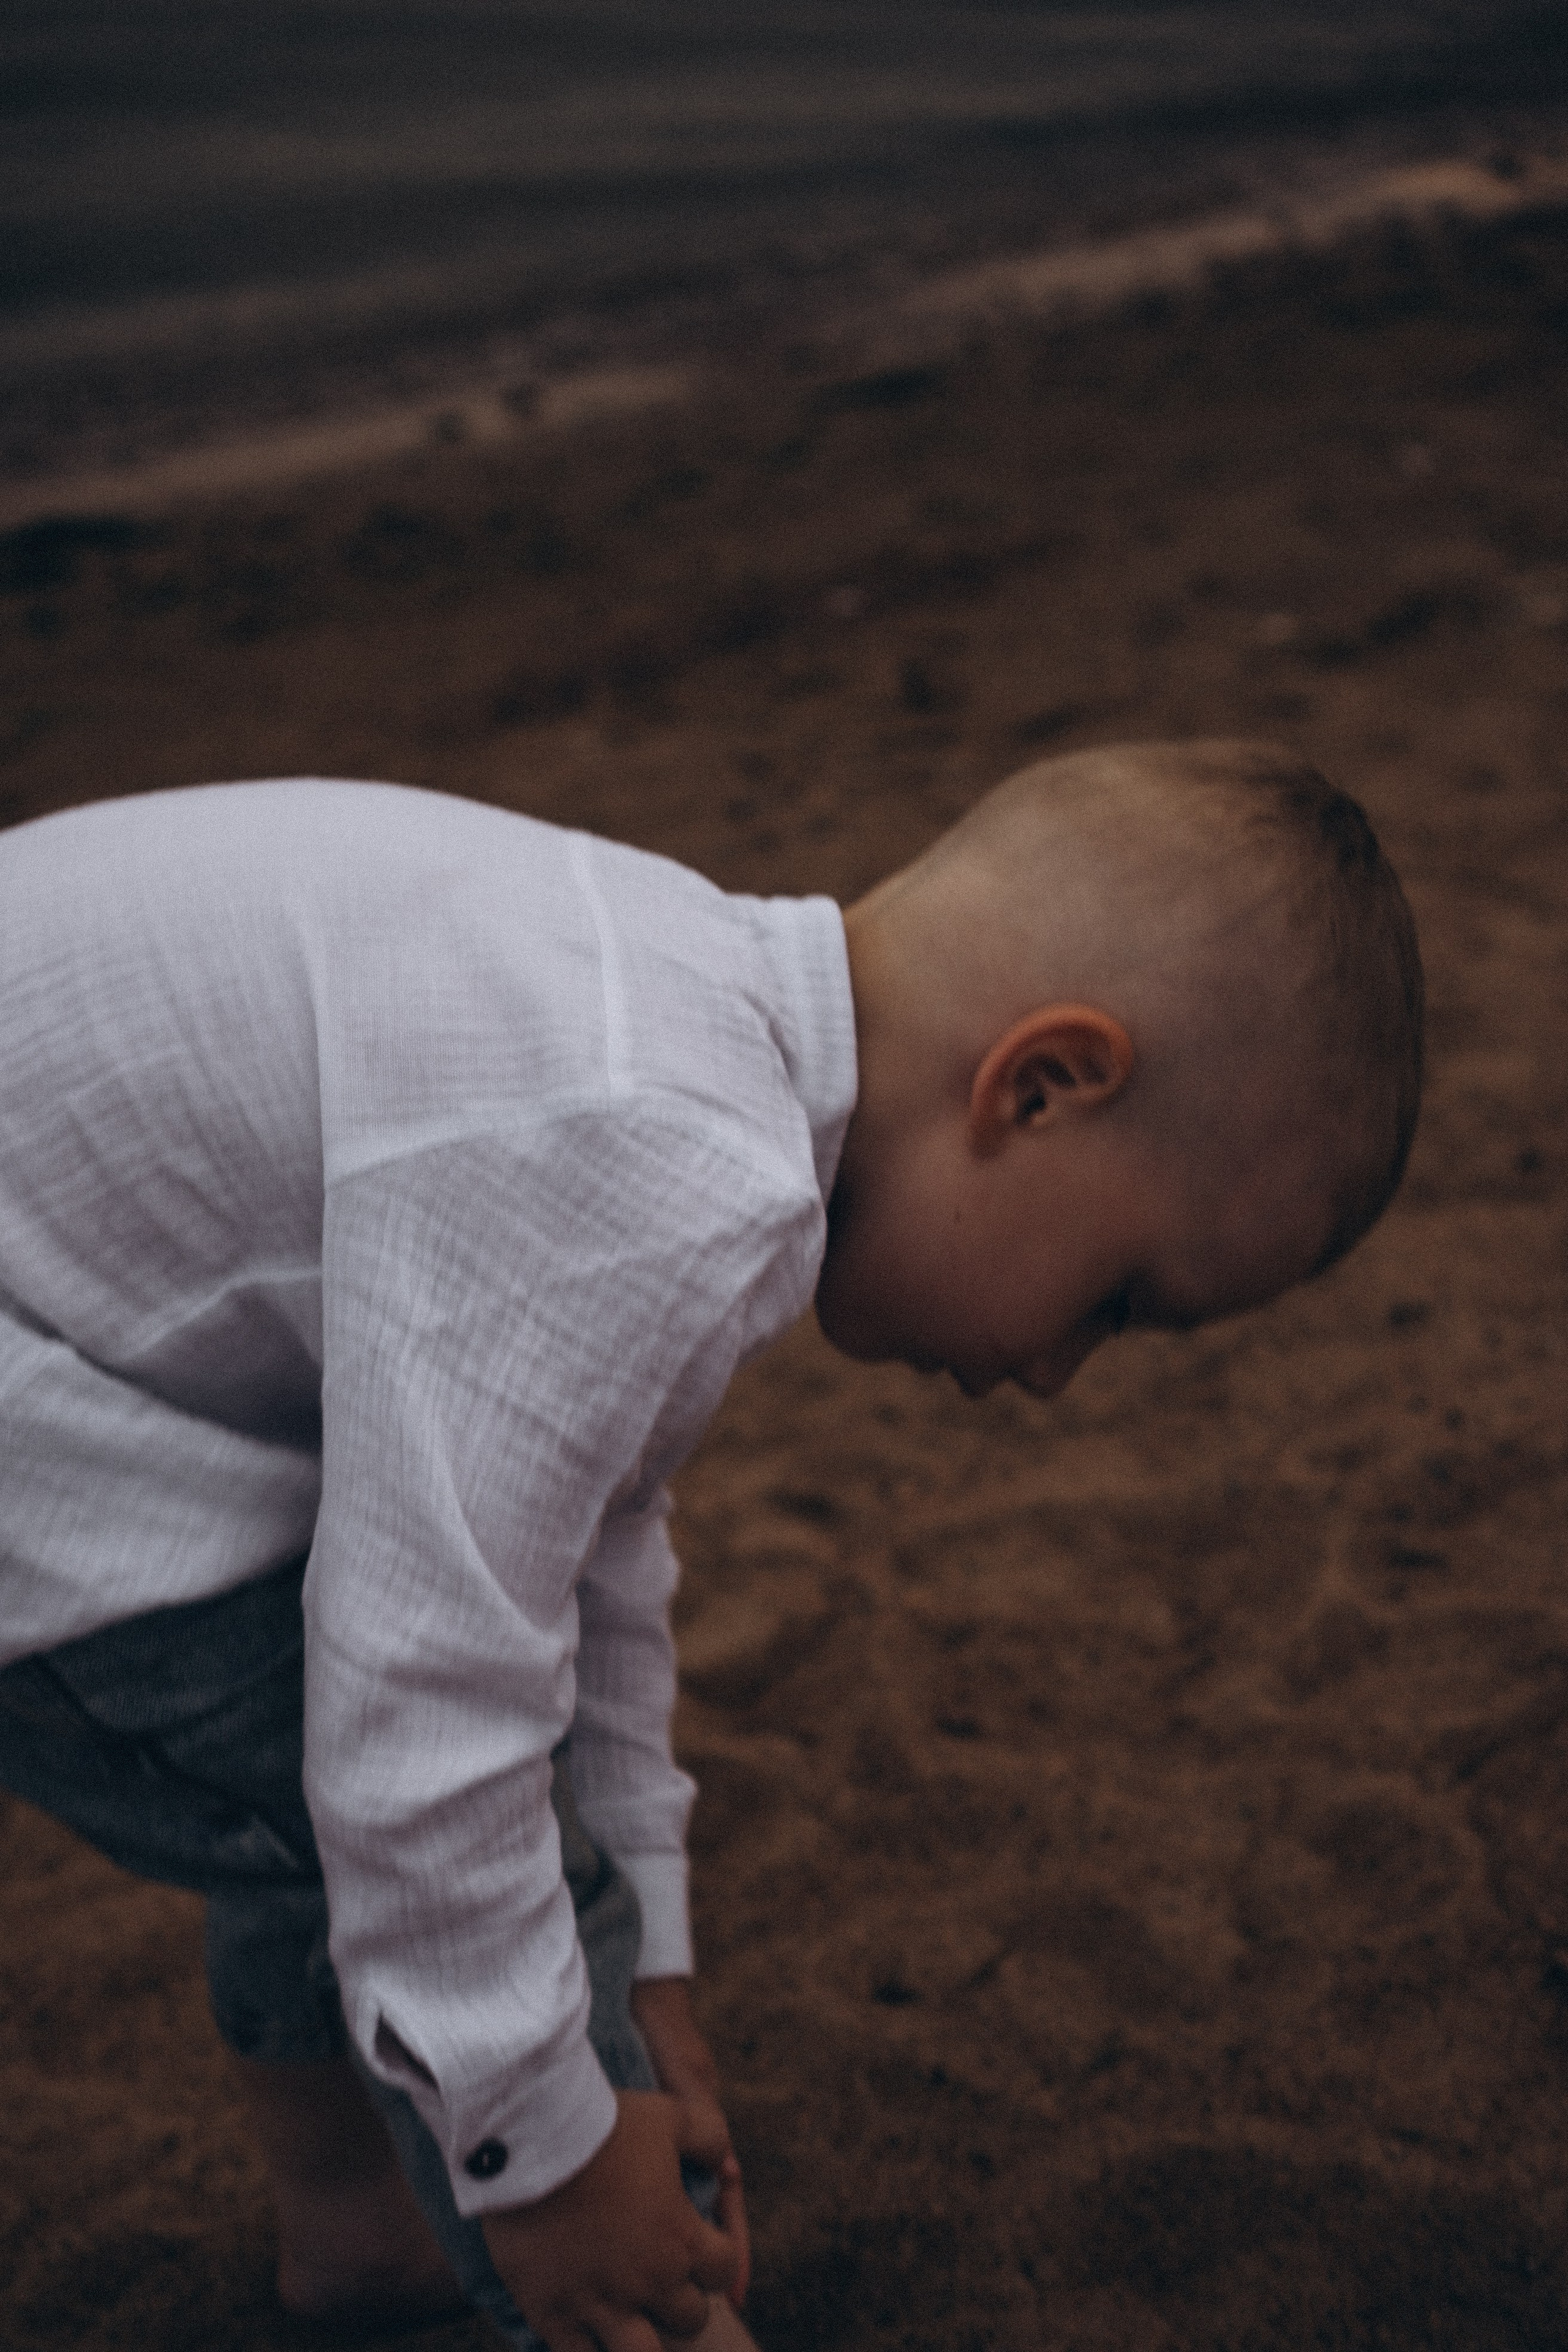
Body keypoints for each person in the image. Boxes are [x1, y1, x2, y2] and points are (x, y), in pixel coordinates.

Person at [0, 741, 1422, 2351]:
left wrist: (650, 1966)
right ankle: (625, 2309)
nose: (1056, 1374)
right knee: (428, 1808)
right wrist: (549, 2150)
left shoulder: (662, 1032)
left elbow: (584, 1557)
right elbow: (422, 1697)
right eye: (1118, 1301)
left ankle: (363, 2233)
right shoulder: (651, 1152)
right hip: (41, 1400)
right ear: (1038, 1087)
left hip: (75, 1332)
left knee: (382, 1777)